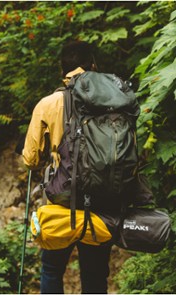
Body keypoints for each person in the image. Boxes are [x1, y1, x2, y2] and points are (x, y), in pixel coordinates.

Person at [22, 41, 112, 294]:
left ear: (62, 71)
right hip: (101, 201)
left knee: (52, 269)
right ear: (93, 66)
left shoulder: (48, 104)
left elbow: (30, 160)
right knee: (95, 275)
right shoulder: (113, 101)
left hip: (60, 200)